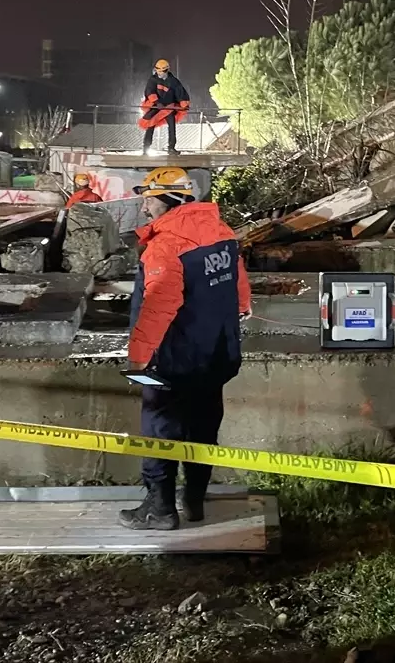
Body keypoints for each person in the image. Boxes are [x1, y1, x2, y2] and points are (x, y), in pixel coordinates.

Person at [119, 166, 252, 530]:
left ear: (167, 199)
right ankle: (193, 501)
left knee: (159, 428)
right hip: (217, 353)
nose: (145, 210)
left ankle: (159, 509)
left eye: (148, 201)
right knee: (204, 426)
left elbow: (158, 308)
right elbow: (239, 287)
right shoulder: (221, 232)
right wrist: (235, 314)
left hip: (174, 359)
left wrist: (138, 360)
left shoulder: (166, 246)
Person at [138, 59, 191, 154]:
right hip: (156, 107)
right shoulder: (153, 79)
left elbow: (180, 93)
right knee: (150, 125)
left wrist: (184, 104)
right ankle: (146, 148)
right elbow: (149, 91)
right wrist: (157, 102)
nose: (160, 73)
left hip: (169, 108)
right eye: (158, 71)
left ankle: (171, 148)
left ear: (166, 70)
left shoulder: (173, 81)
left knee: (172, 127)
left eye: (162, 71)